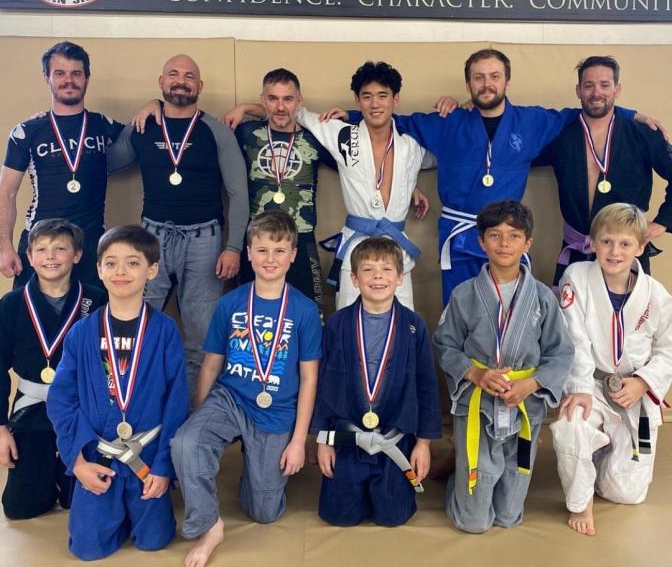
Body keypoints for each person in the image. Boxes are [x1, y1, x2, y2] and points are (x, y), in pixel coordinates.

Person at [333, 49, 656, 305]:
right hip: (459, 236)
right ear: (468, 84)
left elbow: (587, 110)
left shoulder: (533, 121)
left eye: (494, 76)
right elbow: (395, 120)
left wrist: (630, 114)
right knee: (459, 313)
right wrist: (351, 115)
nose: (487, 84)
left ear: (506, 81)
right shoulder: (448, 122)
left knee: (508, 314)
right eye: (479, 77)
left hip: (507, 237)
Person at [171, 210, 322, 567]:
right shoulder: (230, 303)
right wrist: (199, 415)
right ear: (249, 254)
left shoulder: (304, 310)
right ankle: (210, 526)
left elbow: (309, 379)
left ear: (293, 255)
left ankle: (256, 470)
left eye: (279, 251)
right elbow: (211, 363)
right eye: (262, 250)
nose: (270, 259)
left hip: (276, 410)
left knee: (264, 512)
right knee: (186, 442)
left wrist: (299, 440)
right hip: (230, 398)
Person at [225, 62, 431, 310]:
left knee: (402, 319)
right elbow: (291, 113)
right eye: (367, 96)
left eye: (382, 96)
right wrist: (246, 108)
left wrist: (409, 184)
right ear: (357, 100)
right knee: (347, 318)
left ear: (396, 99)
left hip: (396, 247)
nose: (375, 103)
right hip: (356, 244)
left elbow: (453, 152)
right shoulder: (341, 135)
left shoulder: (413, 143)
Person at [46, 225, 189, 560]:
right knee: (86, 548)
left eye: (133, 263)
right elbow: (61, 400)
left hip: (146, 459)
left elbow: (177, 402)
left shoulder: (165, 331)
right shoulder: (81, 333)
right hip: (98, 455)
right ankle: (111, 512)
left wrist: (163, 468)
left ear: (152, 270)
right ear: (99, 269)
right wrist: (77, 462)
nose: (120, 271)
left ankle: (133, 509)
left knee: (153, 540)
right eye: (111, 263)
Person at [433, 200, 573, 533]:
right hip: (478, 404)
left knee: (509, 516)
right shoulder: (464, 294)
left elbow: (561, 353)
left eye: (514, 236)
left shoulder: (543, 297)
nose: (504, 243)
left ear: (528, 243)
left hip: (524, 405)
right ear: (481, 242)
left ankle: (475, 479)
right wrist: (475, 373)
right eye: (494, 235)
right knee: (474, 522)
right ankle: (459, 480)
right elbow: (444, 345)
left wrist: (532, 383)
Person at [550, 203, 672, 537]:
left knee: (628, 494)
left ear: (640, 247)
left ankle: (598, 458)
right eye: (607, 242)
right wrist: (580, 388)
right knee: (571, 424)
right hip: (591, 384)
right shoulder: (577, 278)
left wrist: (643, 381)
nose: (615, 252)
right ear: (593, 243)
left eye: (625, 244)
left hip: (633, 393)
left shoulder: (656, 295)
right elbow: (574, 339)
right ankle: (580, 500)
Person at [118, 54, 249, 398]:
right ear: (161, 83)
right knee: (136, 326)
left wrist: (233, 247)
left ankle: (196, 414)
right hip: (152, 239)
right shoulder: (143, 125)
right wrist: (140, 114)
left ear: (199, 86)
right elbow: (107, 161)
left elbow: (238, 192)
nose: (181, 81)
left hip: (205, 240)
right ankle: (137, 406)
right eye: (173, 74)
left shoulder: (216, 131)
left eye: (189, 76)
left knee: (201, 338)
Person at [311, 236, 441, 526]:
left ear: (400, 278)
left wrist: (423, 444)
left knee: (394, 517)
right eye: (368, 270)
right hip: (348, 438)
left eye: (386, 269)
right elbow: (324, 385)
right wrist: (323, 440)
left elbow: (427, 387)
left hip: (395, 439)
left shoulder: (414, 326)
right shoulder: (338, 323)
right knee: (339, 516)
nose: (378, 277)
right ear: (354, 279)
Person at [534, 56, 672, 285]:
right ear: (578, 90)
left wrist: (662, 223)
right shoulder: (561, 133)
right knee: (571, 308)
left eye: (604, 85)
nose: (596, 93)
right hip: (578, 250)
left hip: (624, 252)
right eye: (588, 85)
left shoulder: (642, 133)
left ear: (617, 89)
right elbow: (516, 154)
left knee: (628, 308)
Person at [0, 219, 106, 519]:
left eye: (60, 248)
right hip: (31, 408)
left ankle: (64, 473)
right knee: (21, 507)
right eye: (41, 249)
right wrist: (1, 428)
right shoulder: (11, 304)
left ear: (77, 255)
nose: (50, 256)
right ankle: (47, 473)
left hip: (82, 409)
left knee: (83, 499)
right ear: (30, 257)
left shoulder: (96, 300)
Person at [0, 41, 125, 289]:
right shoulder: (27, 131)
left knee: (89, 313)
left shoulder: (103, 124)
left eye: (76, 73)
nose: (69, 80)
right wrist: (5, 247)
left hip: (90, 245)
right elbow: (7, 191)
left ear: (86, 78)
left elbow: (145, 137)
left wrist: (155, 104)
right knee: (31, 312)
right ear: (47, 77)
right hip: (41, 243)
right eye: (60, 73)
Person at [234, 68, 336, 312]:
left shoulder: (316, 138)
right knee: (251, 312)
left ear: (299, 102)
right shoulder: (246, 133)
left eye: (288, 99)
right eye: (273, 98)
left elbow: (359, 163)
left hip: (301, 237)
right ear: (263, 100)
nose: (280, 107)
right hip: (257, 238)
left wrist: (410, 185)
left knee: (312, 313)